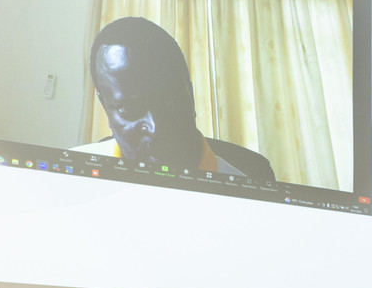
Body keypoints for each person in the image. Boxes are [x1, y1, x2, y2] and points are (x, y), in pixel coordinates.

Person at [74, 17, 275, 181]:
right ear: (105, 107)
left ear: (191, 95)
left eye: (170, 100)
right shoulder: (72, 177)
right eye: (129, 108)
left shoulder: (251, 179)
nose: (156, 128)